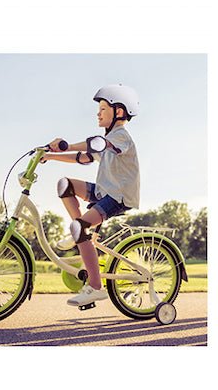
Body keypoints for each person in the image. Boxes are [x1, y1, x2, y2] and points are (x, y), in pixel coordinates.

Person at [40, 84, 140, 307]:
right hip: (104, 190)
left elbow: (96, 143)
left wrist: (64, 144)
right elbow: (83, 157)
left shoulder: (120, 136)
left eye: (103, 109)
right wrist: (51, 155)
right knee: (65, 184)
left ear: (119, 112)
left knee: (79, 229)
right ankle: (79, 230)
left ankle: (95, 287)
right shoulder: (106, 141)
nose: (98, 113)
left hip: (118, 196)